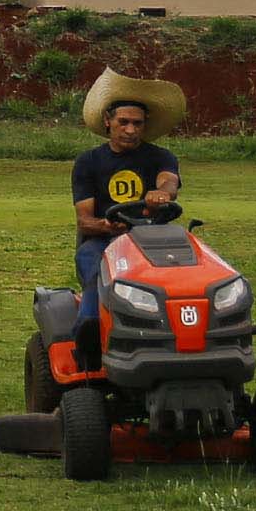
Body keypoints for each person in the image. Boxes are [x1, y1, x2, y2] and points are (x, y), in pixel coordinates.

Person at [69, 69, 185, 369]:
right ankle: (89, 339)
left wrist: (162, 194)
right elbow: (85, 221)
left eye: (137, 123)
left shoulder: (161, 157)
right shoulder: (89, 162)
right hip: (104, 242)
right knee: (100, 274)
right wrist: (107, 225)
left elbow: (169, 182)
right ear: (108, 122)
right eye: (124, 122)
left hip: (153, 240)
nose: (131, 130)